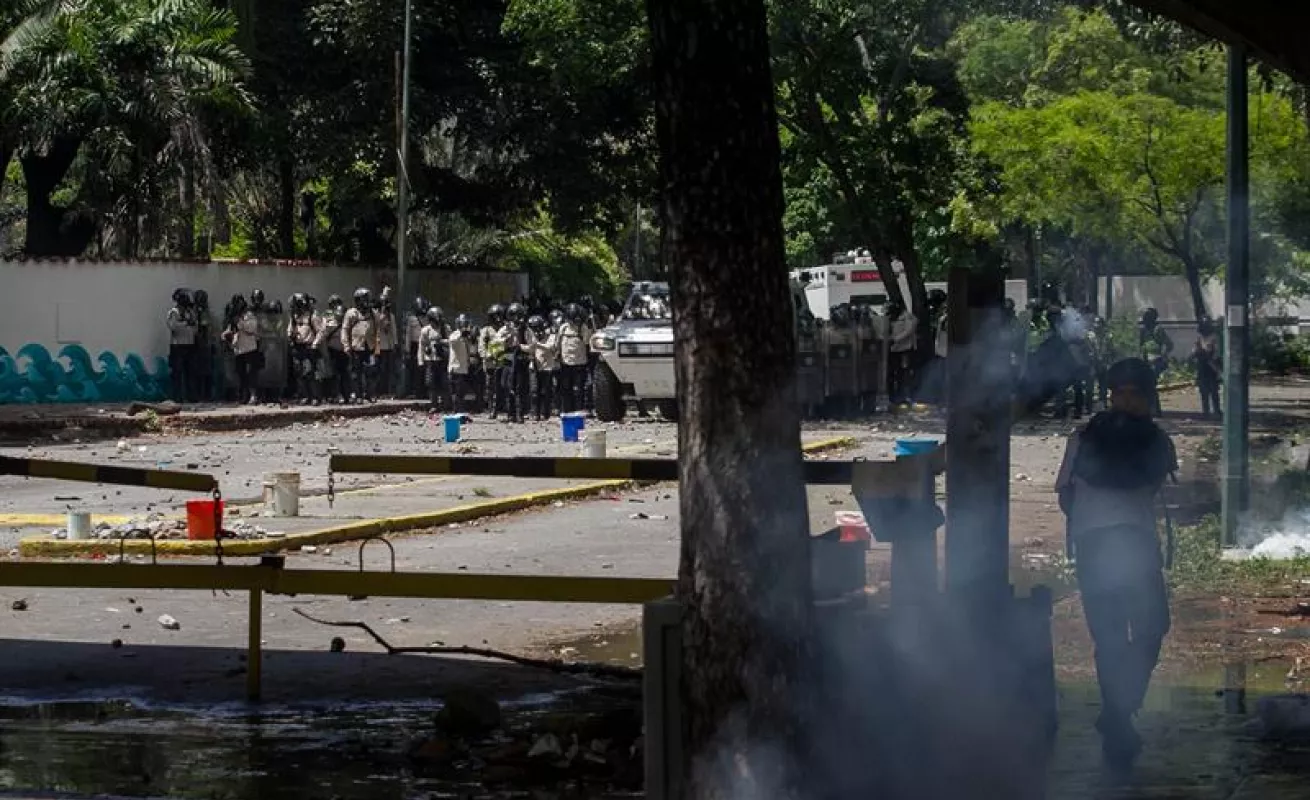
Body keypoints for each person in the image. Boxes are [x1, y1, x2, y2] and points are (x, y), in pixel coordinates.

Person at [1056, 357, 1176, 767]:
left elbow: (1064, 494)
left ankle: (1118, 713)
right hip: (1135, 544)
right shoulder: (1157, 440)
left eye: (1129, 394)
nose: (1125, 402)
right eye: (1122, 394)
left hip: (1094, 546)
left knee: (1110, 636)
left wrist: (1087, 519)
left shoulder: (1082, 436)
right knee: (1150, 627)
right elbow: (1152, 485)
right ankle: (1120, 711)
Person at [342, 288, 379, 403]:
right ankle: (358, 395)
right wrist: (346, 345)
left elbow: (377, 329)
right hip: (356, 347)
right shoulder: (351, 313)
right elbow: (345, 329)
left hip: (370, 347)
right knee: (356, 373)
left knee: (371, 372)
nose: (366, 302)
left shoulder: (373, 313)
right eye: (364, 299)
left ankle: (370, 394)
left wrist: (377, 347)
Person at [223, 294, 261, 405]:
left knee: (251, 373)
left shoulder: (249, 315)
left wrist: (240, 322)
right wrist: (226, 334)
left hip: (250, 347)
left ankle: (254, 396)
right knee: (241, 374)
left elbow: (252, 328)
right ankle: (243, 396)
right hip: (238, 349)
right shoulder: (233, 317)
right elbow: (229, 330)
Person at [286, 293, 321, 405]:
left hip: (309, 347)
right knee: (299, 373)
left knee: (310, 372)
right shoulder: (294, 316)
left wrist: (315, 344)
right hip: (297, 347)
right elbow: (290, 328)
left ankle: (315, 397)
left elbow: (320, 331)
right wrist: (290, 335)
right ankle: (304, 396)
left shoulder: (312, 315)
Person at [557, 303, 591, 414]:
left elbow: (587, 342)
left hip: (579, 363)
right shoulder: (564, 327)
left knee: (578, 389)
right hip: (565, 362)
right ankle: (567, 411)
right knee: (566, 389)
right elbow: (558, 343)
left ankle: (578, 410)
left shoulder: (583, 328)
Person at [499, 302, 530, 423]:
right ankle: (510, 413)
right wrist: (507, 338)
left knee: (520, 388)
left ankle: (519, 414)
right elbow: (495, 343)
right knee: (507, 386)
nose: (516, 319)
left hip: (521, 361)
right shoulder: (505, 329)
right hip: (508, 360)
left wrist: (521, 347)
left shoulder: (526, 329)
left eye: (519, 315)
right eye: (514, 316)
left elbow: (532, 346)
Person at [1138, 308, 1173, 415]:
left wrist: (1162, 356)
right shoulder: (1143, 330)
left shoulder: (1158, 329)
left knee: (1151, 384)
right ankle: (1149, 408)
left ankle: (1155, 409)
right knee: (1145, 385)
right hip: (1146, 361)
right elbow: (1141, 345)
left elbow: (1169, 344)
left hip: (1157, 360)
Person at [166, 289, 197, 403]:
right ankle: (177, 396)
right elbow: (173, 326)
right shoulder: (173, 312)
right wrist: (185, 323)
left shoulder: (190, 312)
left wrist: (190, 325)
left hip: (189, 344)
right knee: (177, 372)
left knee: (190, 372)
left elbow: (195, 327)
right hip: (177, 345)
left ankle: (191, 396)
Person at [526, 314, 559, 421]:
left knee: (546, 391)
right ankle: (535, 413)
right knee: (534, 391)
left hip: (547, 367)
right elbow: (527, 348)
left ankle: (546, 413)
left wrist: (537, 344)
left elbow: (551, 347)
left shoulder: (551, 335)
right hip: (534, 367)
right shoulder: (530, 336)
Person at [478, 304, 507, 418]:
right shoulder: (486, 330)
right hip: (490, 363)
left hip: (503, 361)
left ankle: (503, 408)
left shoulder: (505, 329)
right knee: (490, 387)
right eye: (495, 316)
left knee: (503, 386)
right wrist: (486, 355)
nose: (498, 319)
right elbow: (482, 346)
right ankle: (492, 409)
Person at [418, 306, 448, 414]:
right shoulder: (425, 330)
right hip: (431, 360)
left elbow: (452, 341)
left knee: (444, 382)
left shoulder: (446, 328)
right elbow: (421, 346)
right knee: (431, 383)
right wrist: (421, 361)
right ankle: (434, 404)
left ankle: (445, 404)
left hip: (443, 359)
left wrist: (441, 342)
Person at [320, 294, 350, 404]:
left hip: (344, 349)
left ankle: (345, 395)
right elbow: (323, 333)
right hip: (332, 349)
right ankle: (333, 395)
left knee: (344, 374)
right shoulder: (327, 317)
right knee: (332, 374)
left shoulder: (347, 315)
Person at [887, 300, 917, 407]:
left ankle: (903, 396)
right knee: (891, 374)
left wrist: (895, 339)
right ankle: (892, 397)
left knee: (903, 374)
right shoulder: (890, 317)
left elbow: (908, 331)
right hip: (893, 350)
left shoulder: (908, 318)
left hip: (905, 349)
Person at [1193, 318, 1222, 417]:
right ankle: (1206, 411)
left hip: (1211, 365)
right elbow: (1195, 351)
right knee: (1203, 390)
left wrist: (1211, 358)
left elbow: (1217, 352)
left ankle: (1216, 410)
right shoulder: (1199, 337)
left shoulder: (1214, 337)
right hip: (1202, 366)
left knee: (1213, 390)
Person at [193, 290, 216, 402]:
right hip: (196, 346)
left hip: (205, 345)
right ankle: (198, 395)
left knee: (207, 373)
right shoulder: (194, 312)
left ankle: (206, 395)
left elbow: (207, 328)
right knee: (197, 373)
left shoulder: (205, 313)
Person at [448, 314, 474, 414]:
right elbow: (453, 341)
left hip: (464, 368)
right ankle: (456, 411)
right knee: (456, 393)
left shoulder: (467, 337)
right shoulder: (455, 334)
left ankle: (461, 411)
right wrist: (461, 334)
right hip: (456, 368)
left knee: (462, 392)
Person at [404, 297, 430, 399]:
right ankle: (416, 391)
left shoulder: (428, 318)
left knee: (424, 369)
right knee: (415, 369)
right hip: (415, 345)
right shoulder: (412, 319)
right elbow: (408, 335)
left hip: (425, 345)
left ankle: (423, 390)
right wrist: (407, 349)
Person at [375, 286, 398, 398]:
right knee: (379, 369)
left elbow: (393, 330)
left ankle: (387, 390)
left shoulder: (391, 316)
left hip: (388, 346)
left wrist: (395, 344)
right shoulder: (376, 315)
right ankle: (378, 390)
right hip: (379, 346)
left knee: (388, 370)